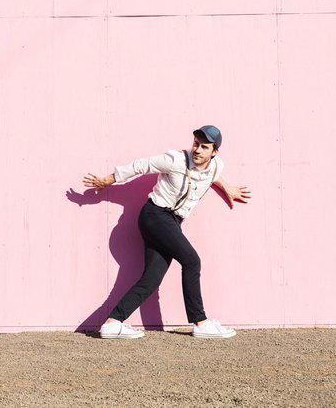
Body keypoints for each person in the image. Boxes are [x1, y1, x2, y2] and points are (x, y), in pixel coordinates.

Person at [83, 125, 251, 340]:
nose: (197, 150)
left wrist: (229, 188)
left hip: (172, 221)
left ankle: (113, 323)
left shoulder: (217, 165)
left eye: (204, 147)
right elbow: (141, 166)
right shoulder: (175, 160)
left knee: (152, 278)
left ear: (214, 151)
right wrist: (108, 180)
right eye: (196, 144)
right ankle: (200, 322)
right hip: (155, 215)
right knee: (192, 261)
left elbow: (212, 174)